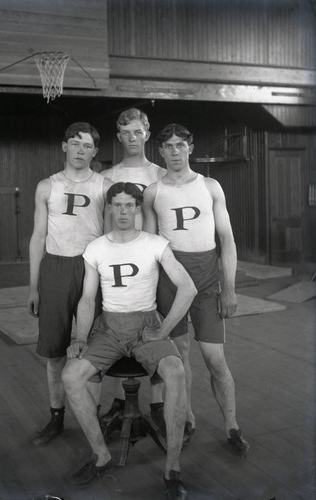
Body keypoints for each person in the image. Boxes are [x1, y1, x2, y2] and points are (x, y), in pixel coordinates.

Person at [62, 182, 197, 499]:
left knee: (176, 372)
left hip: (147, 323)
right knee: (71, 374)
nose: (123, 211)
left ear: (138, 208)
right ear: (109, 208)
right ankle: (101, 454)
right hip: (109, 327)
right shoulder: (96, 248)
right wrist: (81, 337)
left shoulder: (156, 244)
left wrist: (163, 332)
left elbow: (187, 288)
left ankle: (172, 468)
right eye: (117, 205)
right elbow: (87, 297)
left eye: (129, 205)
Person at [143, 123, 250, 457]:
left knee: (215, 359)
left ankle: (232, 426)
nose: (175, 152)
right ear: (160, 151)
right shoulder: (153, 192)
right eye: (168, 147)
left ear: (190, 147)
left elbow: (227, 240)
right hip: (170, 279)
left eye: (180, 145)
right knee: (180, 355)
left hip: (206, 280)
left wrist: (229, 287)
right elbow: (148, 247)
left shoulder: (210, 186)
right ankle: (187, 420)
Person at [27, 122, 111, 446]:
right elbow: (37, 237)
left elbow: (109, 238)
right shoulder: (46, 186)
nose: (80, 150)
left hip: (91, 268)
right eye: (74, 144)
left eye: (87, 146)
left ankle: (93, 415)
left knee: (93, 348)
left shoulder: (104, 186)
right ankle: (57, 416)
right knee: (54, 352)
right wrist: (34, 286)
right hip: (55, 268)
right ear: (64, 146)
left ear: (95, 152)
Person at [99, 108, 174, 439]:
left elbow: (164, 216)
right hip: (119, 262)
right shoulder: (109, 175)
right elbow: (105, 222)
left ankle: (157, 404)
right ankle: (119, 400)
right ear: (119, 136)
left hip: (154, 260)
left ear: (146, 133)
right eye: (125, 132)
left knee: (156, 330)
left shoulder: (160, 173)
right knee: (118, 326)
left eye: (138, 132)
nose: (132, 138)